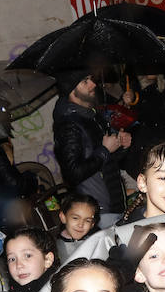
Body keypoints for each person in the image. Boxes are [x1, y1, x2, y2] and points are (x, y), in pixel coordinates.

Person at [53, 71, 131, 229]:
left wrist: (120, 146)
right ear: (71, 89)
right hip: (98, 210)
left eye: (90, 79)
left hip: (114, 204)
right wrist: (105, 150)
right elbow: (73, 173)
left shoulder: (91, 116)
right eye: (84, 81)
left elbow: (107, 162)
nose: (93, 84)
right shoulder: (69, 125)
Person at [4, 227, 59, 292]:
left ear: (47, 260)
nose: (19, 265)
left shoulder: (64, 289)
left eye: (27, 256)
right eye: (12, 259)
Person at [55, 193, 99, 262]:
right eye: (75, 218)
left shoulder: (96, 240)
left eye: (87, 220)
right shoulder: (56, 247)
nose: (80, 225)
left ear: (92, 224)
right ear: (63, 217)